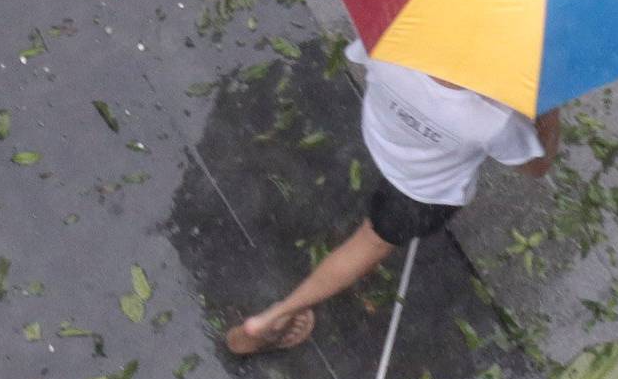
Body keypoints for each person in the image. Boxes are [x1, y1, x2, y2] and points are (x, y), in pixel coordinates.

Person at [225, 40, 560, 354]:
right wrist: (549, 109)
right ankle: (278, 315)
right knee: (370, 243)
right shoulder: (494, 120)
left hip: (381, 140)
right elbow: (538, 166)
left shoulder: (392, 38)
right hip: (424, 192)